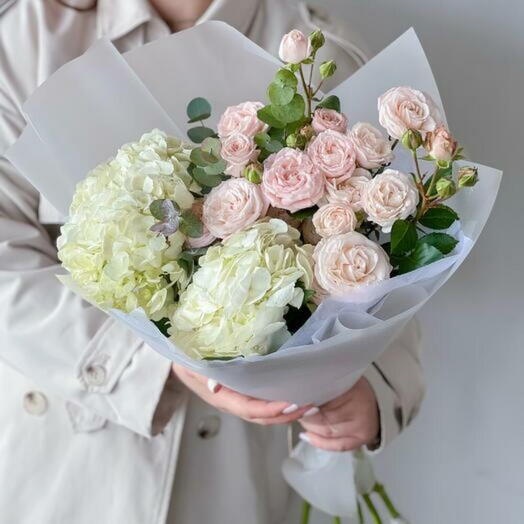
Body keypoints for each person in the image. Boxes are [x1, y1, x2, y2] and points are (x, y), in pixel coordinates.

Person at [0, 1, 425, 523]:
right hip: (63, 461)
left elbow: (391, 256)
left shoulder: (318, 55)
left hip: (233, 472)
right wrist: (153, 363)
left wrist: (372, 391)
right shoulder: (26, 38)